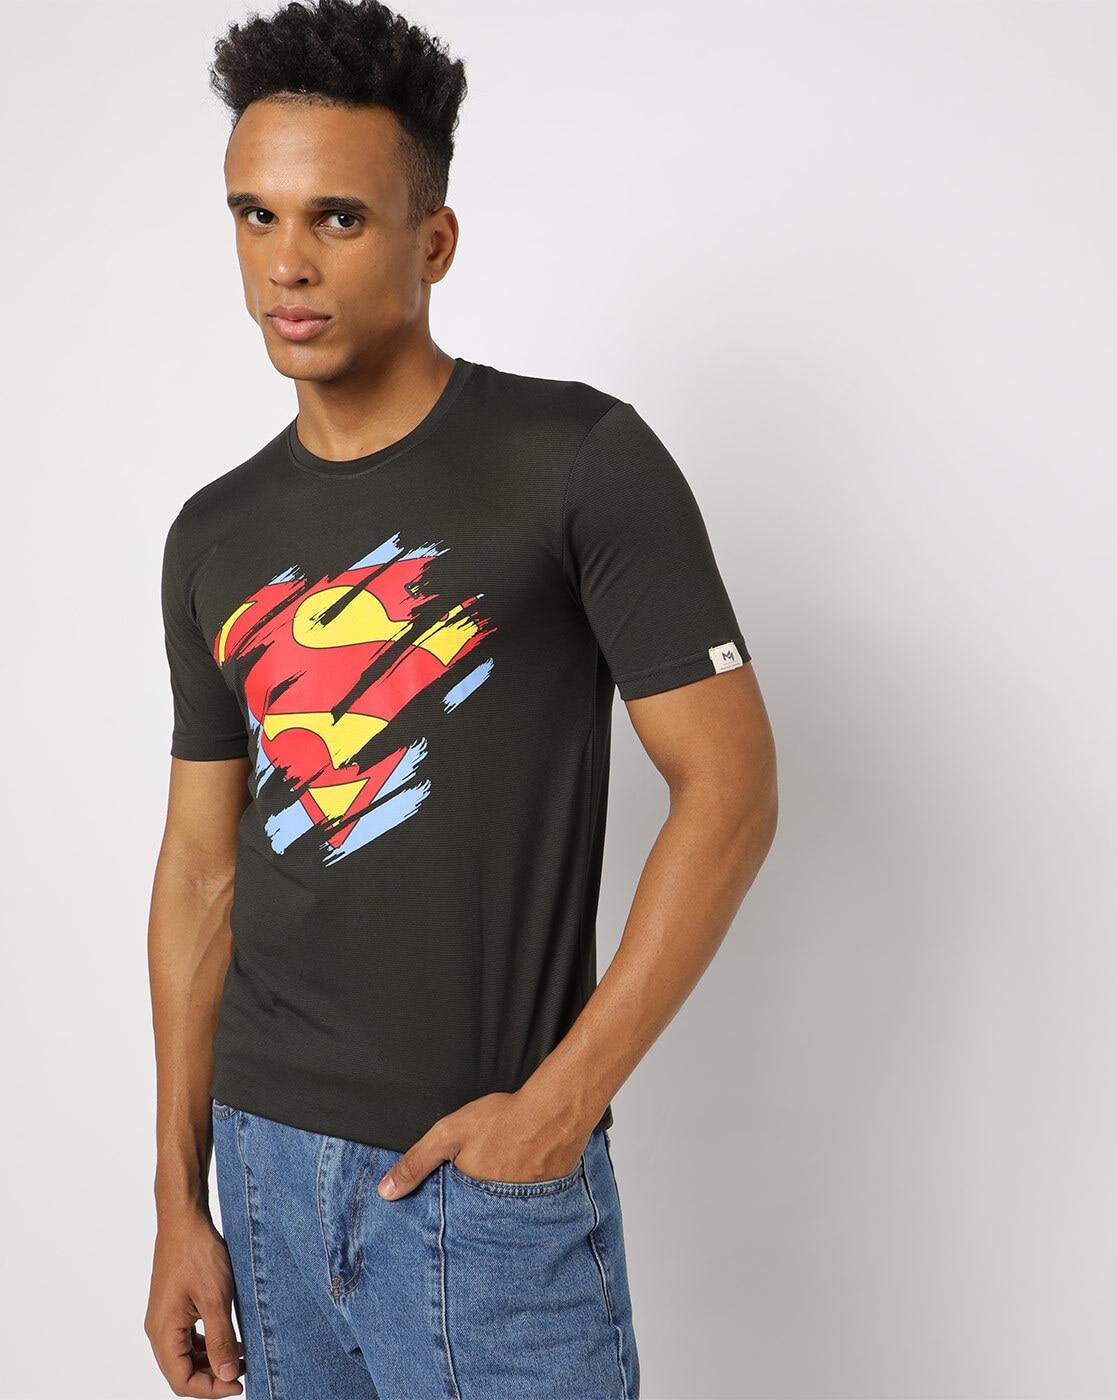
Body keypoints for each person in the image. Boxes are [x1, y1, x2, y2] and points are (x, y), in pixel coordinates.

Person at [143, 1, 778, 1395]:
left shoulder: (577, 460)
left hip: (481, 1186)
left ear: (432, 241)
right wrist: (179, 1201)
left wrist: (558, 1107)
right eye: (255, 216)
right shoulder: (214, 533)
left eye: (338, 218)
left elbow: (730, 790)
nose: (286, 262)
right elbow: (199, 872)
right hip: (259, 1167)